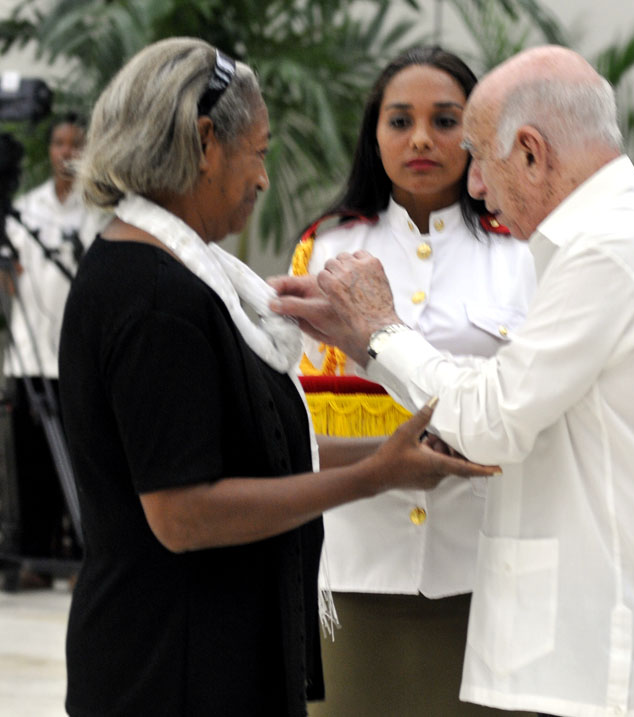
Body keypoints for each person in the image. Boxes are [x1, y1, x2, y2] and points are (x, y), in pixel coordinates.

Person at [270, 45, 634, 716]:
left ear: (530, 151)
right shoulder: (615, 233)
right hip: (583, 614)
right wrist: (362, 339)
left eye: (475, 153)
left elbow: (492, 419)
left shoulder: (608, 248)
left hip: (629, 634)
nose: (475, 185)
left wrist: (379, 331)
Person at [57, 37, 497, 717]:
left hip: (206, 652)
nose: (264, 179)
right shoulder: (158, 300)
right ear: (206, 142)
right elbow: (185, 514)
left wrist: (389, 456)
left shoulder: (183, 281)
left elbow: (252, 448)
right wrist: (373, 476)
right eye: (258, 153)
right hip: (171, 668)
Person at [291, 46, 535, 716]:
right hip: (357, 564)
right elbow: (298, 414)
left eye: (445, 120)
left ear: (479, 134)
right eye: (400, 121)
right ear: (375, 136)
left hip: (489, 564)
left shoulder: (523, 254)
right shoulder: (327, 251)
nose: (422, 138)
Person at [1, 113, 104, 588]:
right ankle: (38, 561)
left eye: (75, 144)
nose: (67, 152)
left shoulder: (97, 211)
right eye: (59, 143)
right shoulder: (26, 208)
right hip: (29, 355)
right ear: (49, 150)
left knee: (80, 461)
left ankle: (82, 556)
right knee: (33, 461)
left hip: (75, 357)